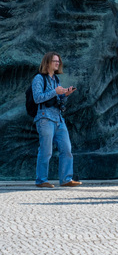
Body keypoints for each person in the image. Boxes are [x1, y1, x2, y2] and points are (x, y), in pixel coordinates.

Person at [31, 52, 81, 189]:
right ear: (47, 62)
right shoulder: (38, 78)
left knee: (67, 149)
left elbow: (58, 100)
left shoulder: (56, 80)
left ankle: (66, 179)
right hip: (45, 118)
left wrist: (65, 95)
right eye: (55, 61)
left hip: (59, 119)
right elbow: (37, 98)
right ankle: (41, 180)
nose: (58, 63)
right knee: (46, 151)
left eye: (58, 61)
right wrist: (55, 92)